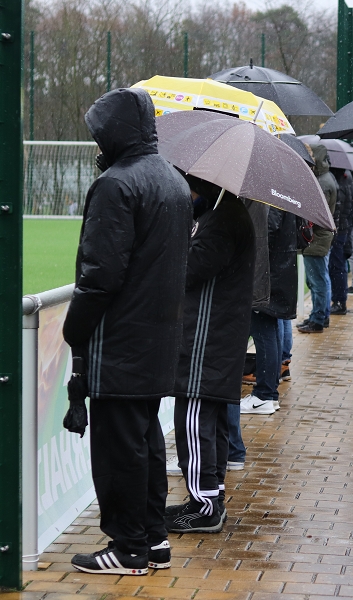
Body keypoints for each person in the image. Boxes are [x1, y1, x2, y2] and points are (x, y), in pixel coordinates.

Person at [63, 88, 192, 574]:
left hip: (121, 343)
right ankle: (152, 540)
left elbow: (100, 276)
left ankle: (128, 547)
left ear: (113, 131)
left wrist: (74, 330)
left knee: (120, 450)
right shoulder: (174, 181)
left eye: (99, 132)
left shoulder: (118, 185)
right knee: (146, 443)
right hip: (158, 340)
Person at [167, 177, 255, 534]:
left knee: (194, 417)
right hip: (216, 337)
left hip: (207, 340)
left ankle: (204, 505)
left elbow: (187, 271)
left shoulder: (222, 220)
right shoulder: (225, 214)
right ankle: (209, 498)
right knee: (210, 419)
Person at [241, 205, 298, 414]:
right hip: (277, 271)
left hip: (267, 274)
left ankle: (264, 395)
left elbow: (265, 233)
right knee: (270, 331)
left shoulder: (269, 198)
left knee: (264, 333)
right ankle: (268, 394)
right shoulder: (282, 194)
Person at [297, 144, 337, 333]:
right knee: (320, 280)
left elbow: (316, 213)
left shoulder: (322, 183)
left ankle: (318, 319)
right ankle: (320, 316)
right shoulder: (325, 179)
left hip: (318, 239)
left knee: (318, 281)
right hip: (321, 237)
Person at [329, 168, 353, 316]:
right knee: (338, 267)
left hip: (337, 230)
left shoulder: (336, 180)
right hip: (343, 229)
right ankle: (339, 300)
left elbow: (340, 208)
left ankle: (338, 301)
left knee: (336, 268)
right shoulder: (347, 179)